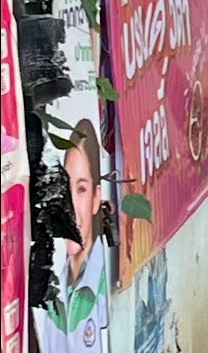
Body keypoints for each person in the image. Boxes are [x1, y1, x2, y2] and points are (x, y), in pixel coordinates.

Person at [40, 119, 110, 353]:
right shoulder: (54, 296)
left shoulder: (104, 284)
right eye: (65, 190)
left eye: (81, 190)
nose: (69, 209)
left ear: (95, 198)